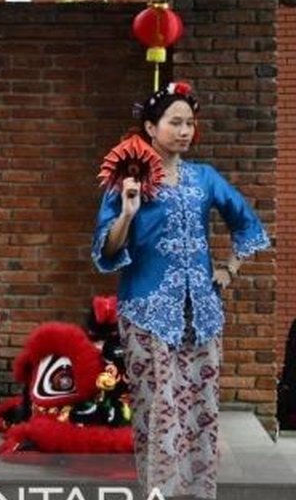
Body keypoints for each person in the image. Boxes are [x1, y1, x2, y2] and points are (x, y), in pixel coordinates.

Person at [93, 81, 270, 500]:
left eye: (190, 123)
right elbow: (107, 248)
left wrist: (229, 268)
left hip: (201, 316)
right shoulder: (127, 178)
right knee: (159, 412)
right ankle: (159, 492)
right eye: (175, 122)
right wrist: (128, 212)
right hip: (148, 313)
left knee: (200, 409)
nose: (185, 130)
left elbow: (247, 223)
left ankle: (198, 493)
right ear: (151, 128)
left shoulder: (205, 177)